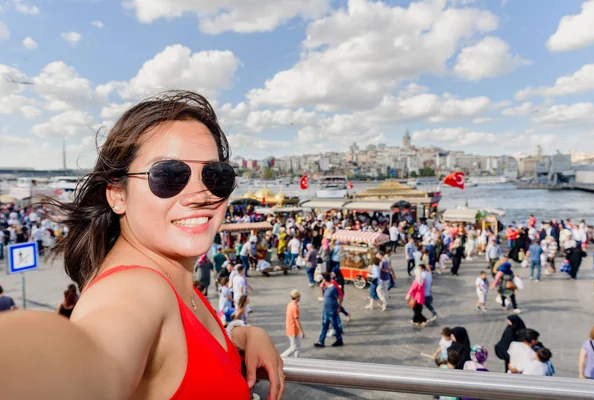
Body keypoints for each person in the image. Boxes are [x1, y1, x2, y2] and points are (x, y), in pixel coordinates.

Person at [0, 91, 284, 399]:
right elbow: (87, 364)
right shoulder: (135, 290)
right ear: (117, 195)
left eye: (215, 175)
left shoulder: (174, 283)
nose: (201, 194)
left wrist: (238, 336)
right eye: (169, 175)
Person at [314, 273, 343, 348]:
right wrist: (321, 287)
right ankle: (321, 341)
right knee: (324, 326)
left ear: (324, 280)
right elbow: (324, 295)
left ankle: (339, 340)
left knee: (335, 326)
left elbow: (338, 298)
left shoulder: (333, 288)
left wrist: (339, 308)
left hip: (332, 310)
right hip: (326, 310)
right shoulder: (325, 287)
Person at [281, 289, 304, 358]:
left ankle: (297, 360)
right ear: (297, 297)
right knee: (293, 347)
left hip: (291, 328)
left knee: (298, 347)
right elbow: (297, 320)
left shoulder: (290, 304)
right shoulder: (294, 307)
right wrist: (301, 331)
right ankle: (281, 357)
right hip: (293, 329)